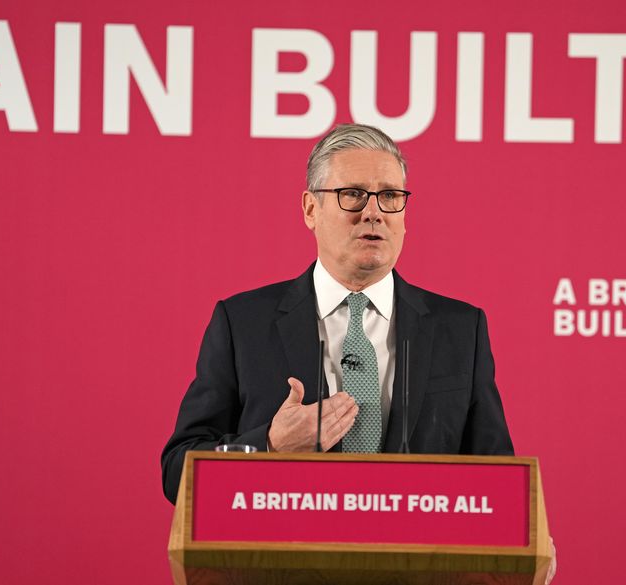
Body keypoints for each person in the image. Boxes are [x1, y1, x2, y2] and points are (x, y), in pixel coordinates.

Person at [161, 124, 514, 504]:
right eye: (353, 195)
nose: (374, 213)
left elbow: (498, 479)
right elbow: (178, 473)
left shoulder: (460, 329)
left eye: (390, 196)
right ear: (311, 209)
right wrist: (269, 445)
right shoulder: (243, 323)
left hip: (415, 543)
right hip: (283, 542)